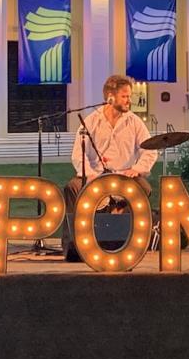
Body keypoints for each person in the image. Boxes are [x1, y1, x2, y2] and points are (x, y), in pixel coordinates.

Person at [65, 75, 157, 247]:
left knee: (144, 187)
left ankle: (124, 237)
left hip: (125, 175)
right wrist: (90, 175)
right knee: (72, 187)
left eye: (129, 96)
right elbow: (78, 154)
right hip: (96, 175)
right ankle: (75, 242)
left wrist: (137, 169)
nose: (129, 100)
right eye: (124, 96)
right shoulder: (91, 121)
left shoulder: (134, 122)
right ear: (110, 97)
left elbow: (150, 150)